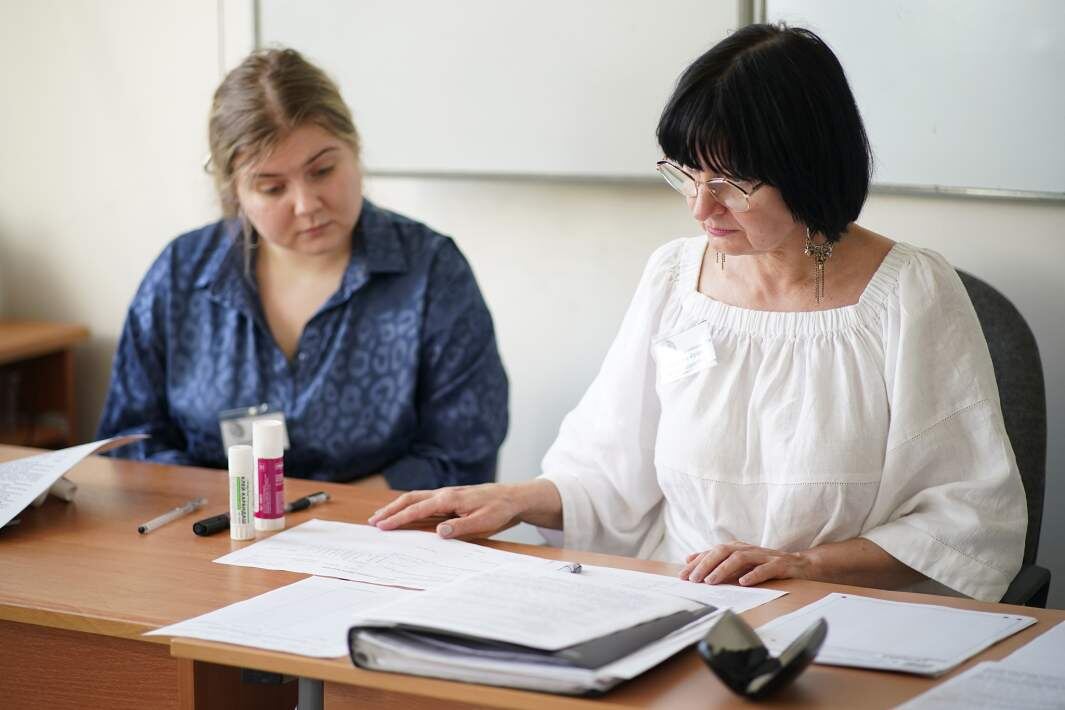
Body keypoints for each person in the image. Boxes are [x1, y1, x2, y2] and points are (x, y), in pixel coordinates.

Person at [369, 24, 1026, 602]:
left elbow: (962, 519)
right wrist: (514, 497)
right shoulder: (674, 277)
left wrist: (805, 565)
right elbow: (608, 468)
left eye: (731, 184)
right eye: (684, 174)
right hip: (676, 603)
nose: (699, 207)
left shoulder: (911, 294)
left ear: (807, 167)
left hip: (840, 615)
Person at [97, 48, 508, 489]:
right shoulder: (180, 274)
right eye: (272, 188)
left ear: (355, 150)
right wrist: (233, 508)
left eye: (323, 170)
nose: (307, 205)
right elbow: (127, 441)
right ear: (234, 191)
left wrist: (324, 517)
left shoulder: (431, 272)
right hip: (206, 533)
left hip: (378, 539)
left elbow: (463, 454)